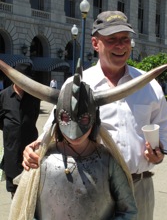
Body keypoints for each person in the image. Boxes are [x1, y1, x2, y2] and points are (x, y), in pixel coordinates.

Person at [1, 11, 167, 220]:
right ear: (95, 43)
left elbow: (162, 127)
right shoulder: (74, 86)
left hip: (141, 186)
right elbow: (51, 133)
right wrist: (32, 150)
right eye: (112, 40)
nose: (121, 45)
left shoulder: (150, 86)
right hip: (92, 186)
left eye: (125, 39)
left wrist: (159, 151)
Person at [8, 65, 137, 220]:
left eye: (84, 118)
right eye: (65, 118)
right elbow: (28, 208)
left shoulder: (108, 161)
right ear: (56, 117)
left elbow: (128, 211)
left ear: (94, 118)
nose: (74, 132)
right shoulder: (41, 160)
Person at [0, 63, 40, 199]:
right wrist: (11, 129)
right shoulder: (4, 96)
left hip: (30, 153)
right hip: (11, 151)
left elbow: (34, 117)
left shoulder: (34, 97)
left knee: (30, 192)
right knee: (15, 193)